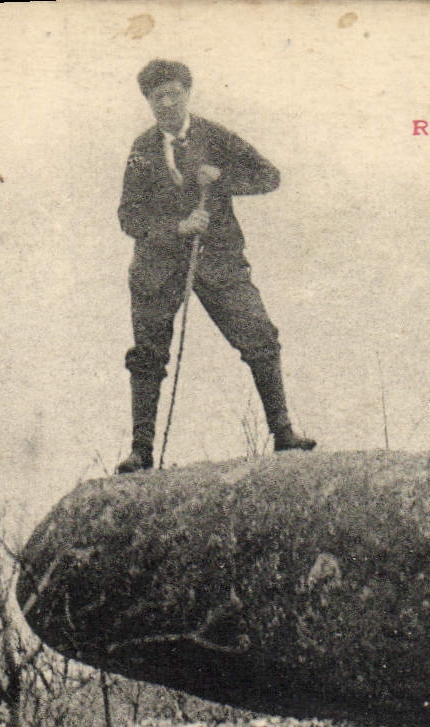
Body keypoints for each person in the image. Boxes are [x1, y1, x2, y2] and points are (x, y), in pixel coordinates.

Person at [116, 58, 315, 473]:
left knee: (259, 335)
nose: (167, 102)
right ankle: (140, 452)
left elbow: (268, 176)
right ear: (148, 102)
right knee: (148, 356)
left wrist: (222, 178)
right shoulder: (142, 150)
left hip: (218, 259)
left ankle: (284, 435)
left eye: (174, 92)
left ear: (188, 93)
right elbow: (129, 217)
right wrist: (177, 227)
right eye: (158, 96)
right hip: (158, 267)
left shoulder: (215, 137)